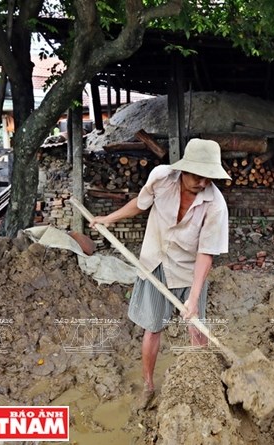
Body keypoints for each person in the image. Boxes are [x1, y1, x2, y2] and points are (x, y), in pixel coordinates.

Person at [89, 138, 231, 410]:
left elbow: (206, 253)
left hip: (189, 271)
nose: (202, 183)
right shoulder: (161, 179)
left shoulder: (216, 205)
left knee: (196, 328)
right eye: (197, 176)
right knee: (152, 328)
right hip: (155, 262)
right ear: (184, 169)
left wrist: (194, 296)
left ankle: (201, 385)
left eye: (208, 177)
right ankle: (148, 386)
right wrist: (109, 219)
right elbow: (140, 204)